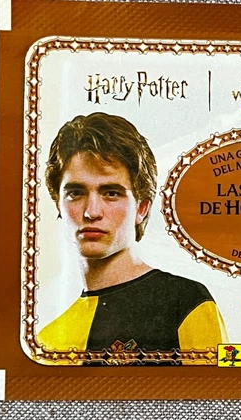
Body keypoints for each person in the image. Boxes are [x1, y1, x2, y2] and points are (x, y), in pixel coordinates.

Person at [37, 112, 227, 358]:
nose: (91, 212)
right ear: (58, 205)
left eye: (111, 193)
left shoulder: (185, 302)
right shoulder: (48, 341)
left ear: (141, 208)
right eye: (76, 193)